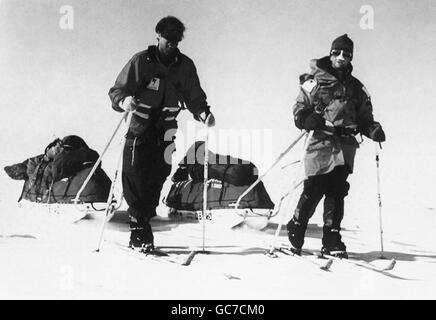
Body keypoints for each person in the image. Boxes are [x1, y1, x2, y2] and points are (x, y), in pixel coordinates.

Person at [108, 16, 215, 253]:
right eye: (168, 39)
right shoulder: (142, 61)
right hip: (140, 130)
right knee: (135, 176)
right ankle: (139, 230)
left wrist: (203, 113)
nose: (172, 44)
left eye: (176, 40)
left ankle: (144, 219)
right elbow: (117, 90)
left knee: (158, 176)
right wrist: (124, 100)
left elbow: (194, 95)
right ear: (158, 35)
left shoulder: (185, 66)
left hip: (166, 133)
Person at [287, 34, 386, 258]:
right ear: (331, 54)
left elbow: (365, 117)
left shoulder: (357, 88)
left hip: (345, 146)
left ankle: (332, 239)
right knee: (314, 189)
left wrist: (373, 130)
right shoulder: (314, 81)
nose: (341, 57)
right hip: (321, 143)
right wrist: (305, 118)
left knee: (337, 191)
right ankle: (297, 226)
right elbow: (299, 108)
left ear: (351, 57)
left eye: (346, 54)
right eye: (337, 52)